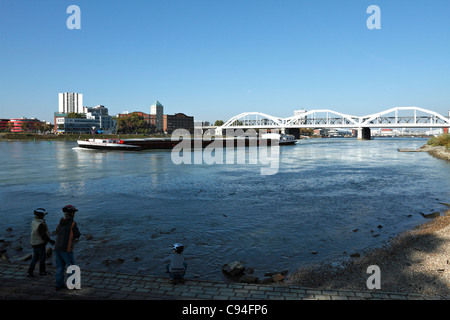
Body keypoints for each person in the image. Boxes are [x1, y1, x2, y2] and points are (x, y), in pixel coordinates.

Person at [54, 205, 81, 290]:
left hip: (57, 248)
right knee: (72, 267)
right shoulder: (73, 223)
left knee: (60, 267)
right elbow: (77, 235)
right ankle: (72, 285)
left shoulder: (60, 222)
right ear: (72, 213)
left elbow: (57, 231)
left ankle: (58, 285)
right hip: (67, 249)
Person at [27, 208, 55, 277]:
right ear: (41, 216)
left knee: (35, 257)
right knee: (42, 257)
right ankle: (42, 271)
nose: (44, 216)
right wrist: (50, 241)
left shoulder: (34, 221)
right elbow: (43, 235)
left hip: (33, 242)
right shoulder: (40, 224)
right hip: (39, 243)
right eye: (43, 215)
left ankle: (30, 272)